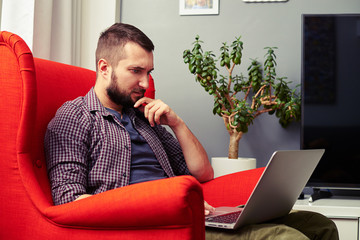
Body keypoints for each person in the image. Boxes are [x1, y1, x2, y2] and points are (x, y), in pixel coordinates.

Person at [45, 23, 338, 240]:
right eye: (136, 71)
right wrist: (166, 202)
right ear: (104, 67)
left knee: (320, 225)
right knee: (286, 238)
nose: (146, 83)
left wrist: (177, 123)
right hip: (151, 226)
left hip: (189, 212)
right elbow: (69, 201)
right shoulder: (75, 117)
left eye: (149, 73)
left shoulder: (144, 117)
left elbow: (202, 174)